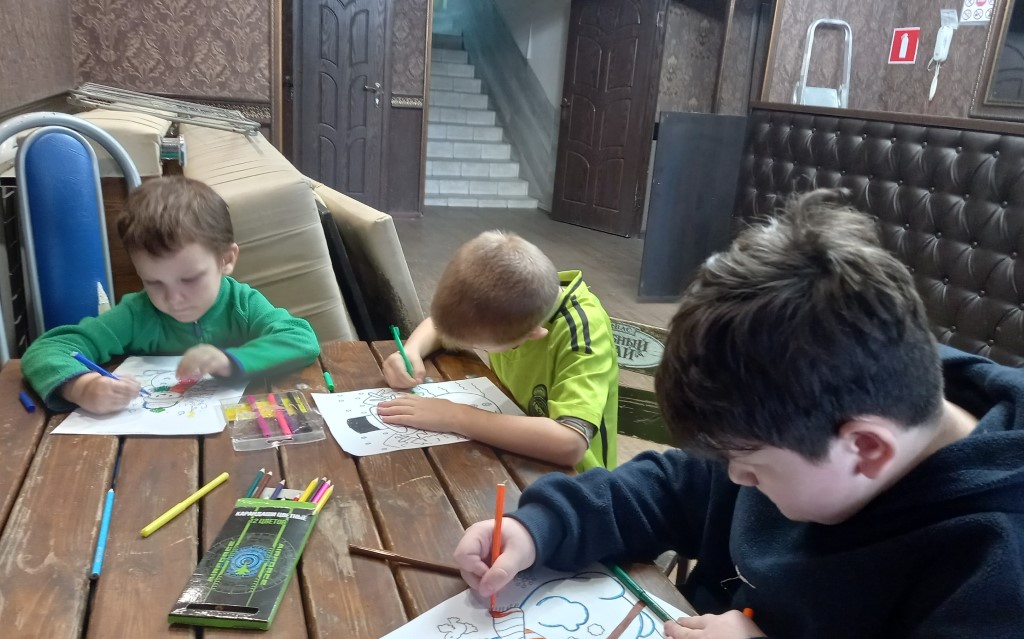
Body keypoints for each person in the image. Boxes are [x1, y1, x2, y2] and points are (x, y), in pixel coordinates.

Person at [452, 189, 1024, 639]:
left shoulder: (996, 590)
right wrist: (541, 527)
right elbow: (676, 486)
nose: (734, 480)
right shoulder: (813, 408)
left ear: (866, 450)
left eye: (751, 470)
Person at [22, 176, 320, 413]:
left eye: (189, 279)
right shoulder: (136, 314)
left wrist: (231, 361)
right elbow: (49, 349)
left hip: (241, 433)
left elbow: (300, 338)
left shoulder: (241, 303)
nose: (174, 299)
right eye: (153, 282)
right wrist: (82, 387)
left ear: (226, 259)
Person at [378, 230, 618, 471]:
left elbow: (571, 443)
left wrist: (454, 416)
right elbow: (442, 327)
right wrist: (411, 351)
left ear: (533, 334)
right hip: (511, 441)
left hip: (577, 480)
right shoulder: (512, 297)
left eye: (478, 345)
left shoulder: (583, 330)